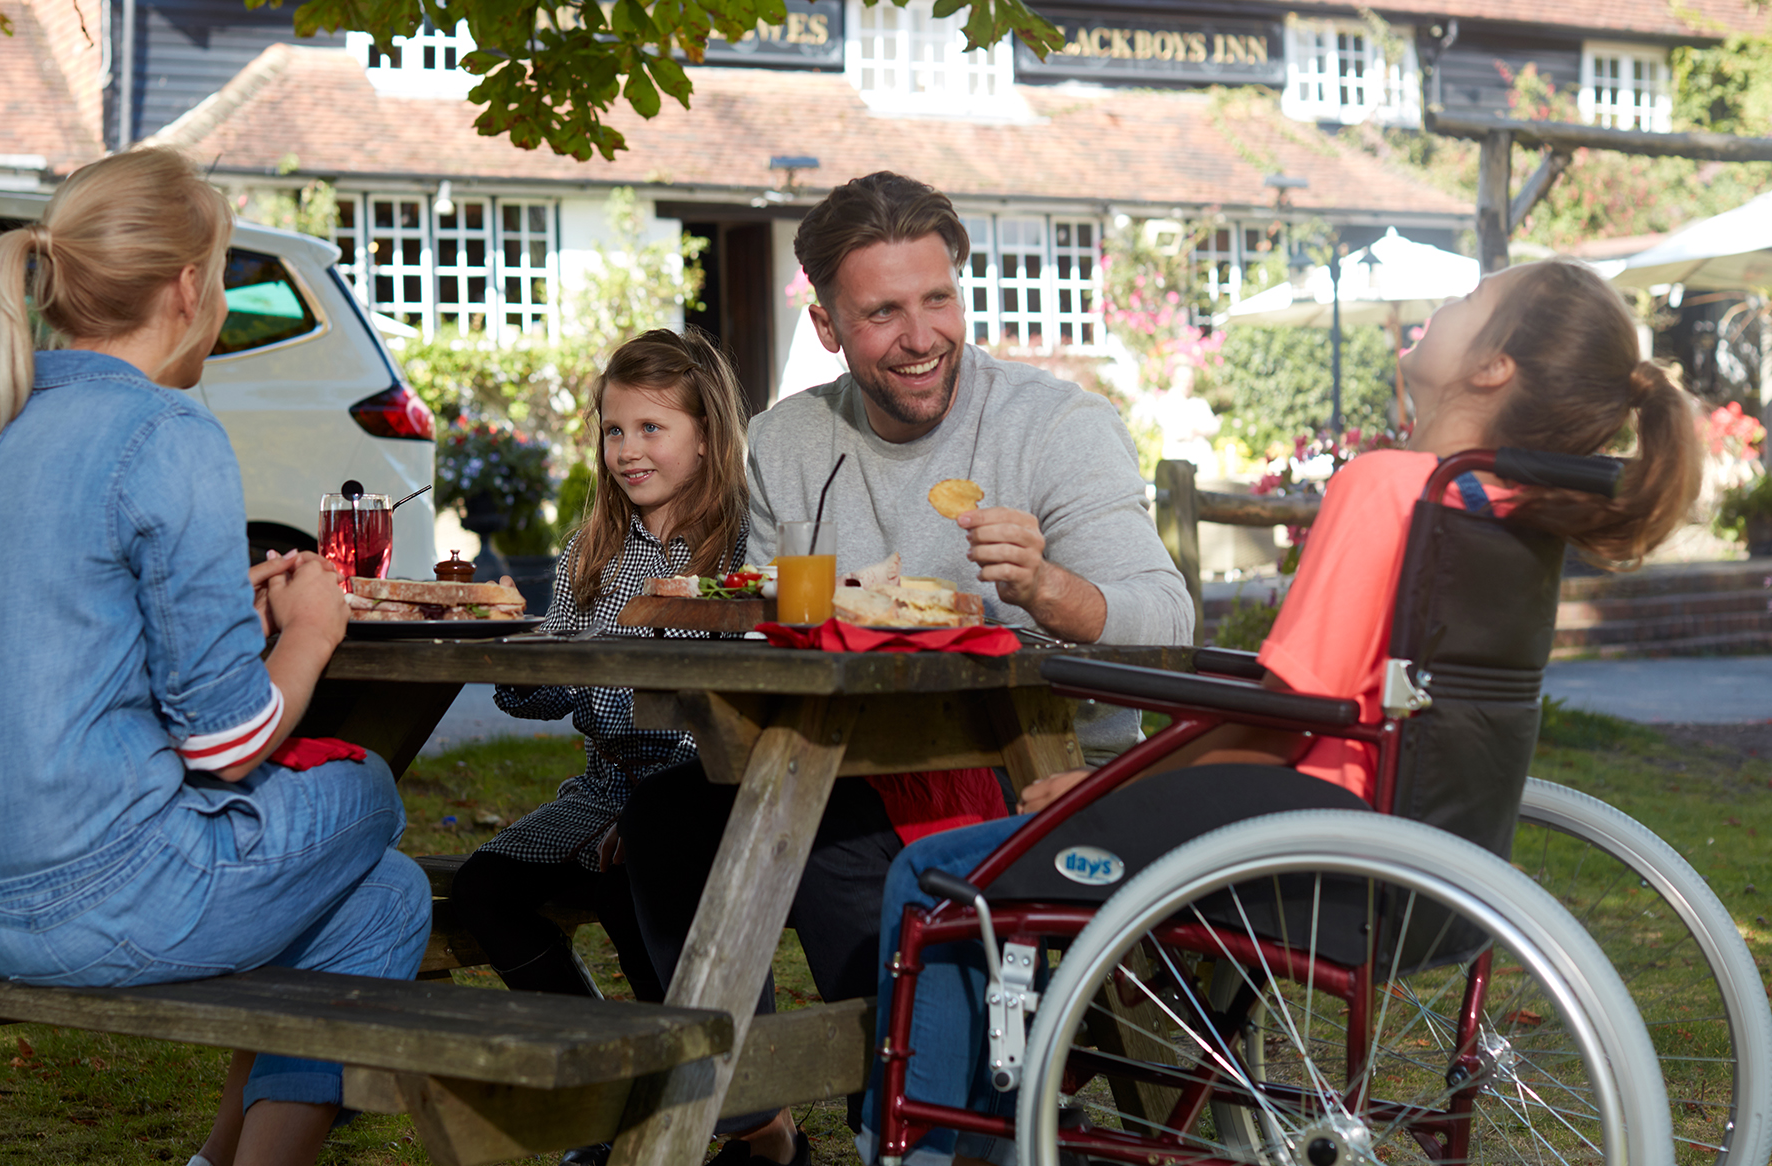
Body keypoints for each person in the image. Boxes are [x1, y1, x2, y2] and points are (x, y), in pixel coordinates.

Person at [863, 257, 1703, 1165]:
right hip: (1421, 860)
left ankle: (922, 1151)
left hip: (1299, 842)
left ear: (1491, 366)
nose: (1441, 303)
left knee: (937, 877)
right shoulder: (1499, 508)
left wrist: (1095, 789)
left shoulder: (1391, 485)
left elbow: (1290, 712)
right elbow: (1318, 700)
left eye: (1468, 300)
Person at [618, 173, 1194, 1166]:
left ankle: (915, 1115)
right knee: (667, 820)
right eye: (883, 312)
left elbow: (1165, 623)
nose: (922, 334)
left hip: (1025, 774)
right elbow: (766, 619)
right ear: (831, 325)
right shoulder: (793, 440)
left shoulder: (1057, 425)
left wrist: (1057, 590)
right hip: (839, 760)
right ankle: (747, 1112)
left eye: (938, 298)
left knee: (840, 838)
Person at [0, 148, 431, 1166]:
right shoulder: (165, 431)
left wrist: (234, 618)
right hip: (87, 902)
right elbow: (225, 746)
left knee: (384, 893)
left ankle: (217, 1161)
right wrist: (310, 631)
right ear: (188, 288)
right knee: (373, 796)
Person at [447, 328, 749, 1165]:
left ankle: (721, 1124)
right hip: (604, 788)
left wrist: (662, 800)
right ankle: (611, 1096)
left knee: (629, 882)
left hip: (703, 788)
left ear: (706, 434)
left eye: (651, 429)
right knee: (486, 888)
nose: (626, 451)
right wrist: (512, 639)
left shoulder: (738, 554)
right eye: (614, 431)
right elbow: (554, 692)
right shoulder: (597, 548)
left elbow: (737, 701)